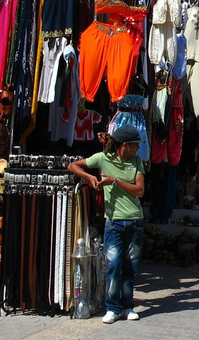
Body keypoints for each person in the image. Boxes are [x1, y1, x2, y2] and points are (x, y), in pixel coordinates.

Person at [67, 125, 146, 324]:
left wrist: (115, 181)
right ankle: (112, 306)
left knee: (130, 267)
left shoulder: (136, 162)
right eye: (136, 145)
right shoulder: (102, 159)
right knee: (113, 264)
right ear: (125, 145)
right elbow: (73, 165)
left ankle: (128, 306)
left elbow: (140, 190)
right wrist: (89, 177)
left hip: (135, 220)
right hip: (114, 222)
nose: (138, 149)